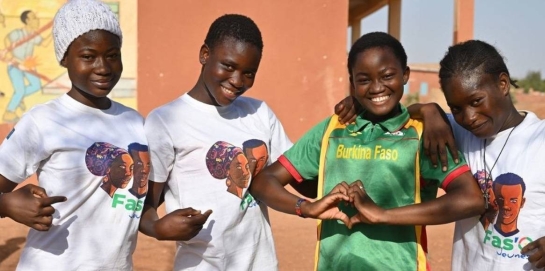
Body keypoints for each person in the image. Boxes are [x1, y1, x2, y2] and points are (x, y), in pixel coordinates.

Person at [249, 32, 485, 271]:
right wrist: (306, 207)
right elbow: (263, 182)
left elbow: (471, 199)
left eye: (387, 76)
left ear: (405, 75)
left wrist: (382, 214)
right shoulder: (333, 129)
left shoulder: (422, 134)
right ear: (352, 83)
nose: (376, 87)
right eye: (363, 80)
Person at [398, 40, 545, 271]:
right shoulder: (455, 132)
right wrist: (429, 109)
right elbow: (399, 115)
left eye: (476, 101)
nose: (469, 117)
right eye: (457, 108)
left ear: (503, 84)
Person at [0, 0, 148, 270]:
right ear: (65, 58)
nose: (103, 67)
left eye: (112, 55)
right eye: (88, 56)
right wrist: (6, 204)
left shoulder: (136, 123)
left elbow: (140, 202)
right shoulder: (42, 121)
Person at [140, 14, 287, 271]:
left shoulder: (259, 113)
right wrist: (157, 228)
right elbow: (146, 205)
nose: (238, 81)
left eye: (249, 73)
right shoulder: (165, 121)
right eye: (228, 66)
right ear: (205, 54)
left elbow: (299, 171)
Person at [3, 10, 52, 122]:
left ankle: (19, 98)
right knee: (19, 91)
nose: (37, 20)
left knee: (36, 85)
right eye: (34, 18)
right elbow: (6, 39)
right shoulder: (18, 33)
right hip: (15, 66)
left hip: (27, 66)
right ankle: (8, 113)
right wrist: (9, 53)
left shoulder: (34, 35)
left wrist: (54, 32)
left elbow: (44, 43)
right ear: (27, 21)